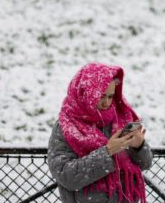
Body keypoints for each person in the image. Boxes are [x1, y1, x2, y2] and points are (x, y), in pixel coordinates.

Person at [48, 62, 153, 203]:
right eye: (101, 96)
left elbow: (145, 164)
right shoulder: (66, 125)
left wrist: (139, 146)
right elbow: (65, 175)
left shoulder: (121, 117)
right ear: (85, 93)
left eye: (110, 96)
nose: (106, 103)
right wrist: (108, 152)